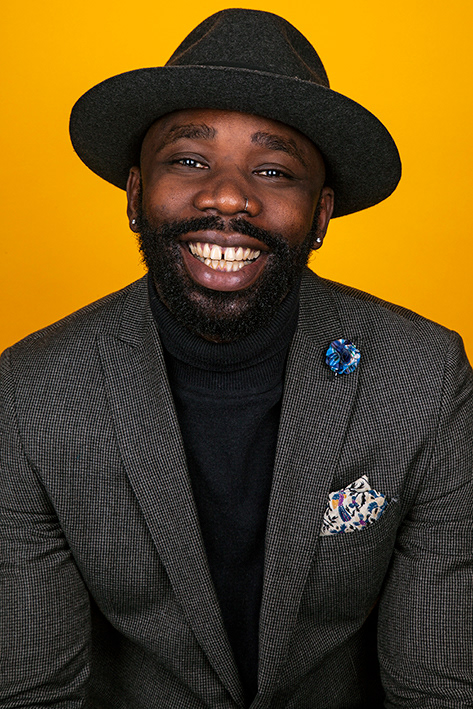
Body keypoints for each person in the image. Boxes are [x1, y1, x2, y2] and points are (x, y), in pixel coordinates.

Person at [1, 8, 472, 708]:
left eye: (274, 170)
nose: (227, 195)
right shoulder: (32, 392)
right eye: (189, 161)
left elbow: (439, 687)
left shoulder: (421, 376)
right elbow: (32, 692)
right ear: (135, 194)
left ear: (320, 215)